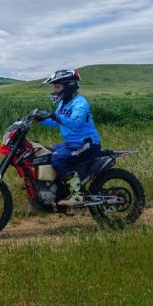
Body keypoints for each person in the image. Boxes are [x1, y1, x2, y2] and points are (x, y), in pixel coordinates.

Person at [37, 69, 101, 205]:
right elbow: (55, 123)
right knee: (46, 152)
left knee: (58, 158)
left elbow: (75, 122)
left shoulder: (80, 103)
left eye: (57, 87)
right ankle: (57, 188)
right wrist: (39, 118)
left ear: (68, 87)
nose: (54, 90)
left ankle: (78, 195)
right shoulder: (63, 103)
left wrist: (55, 116)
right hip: (72, 143)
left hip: (88, 143)